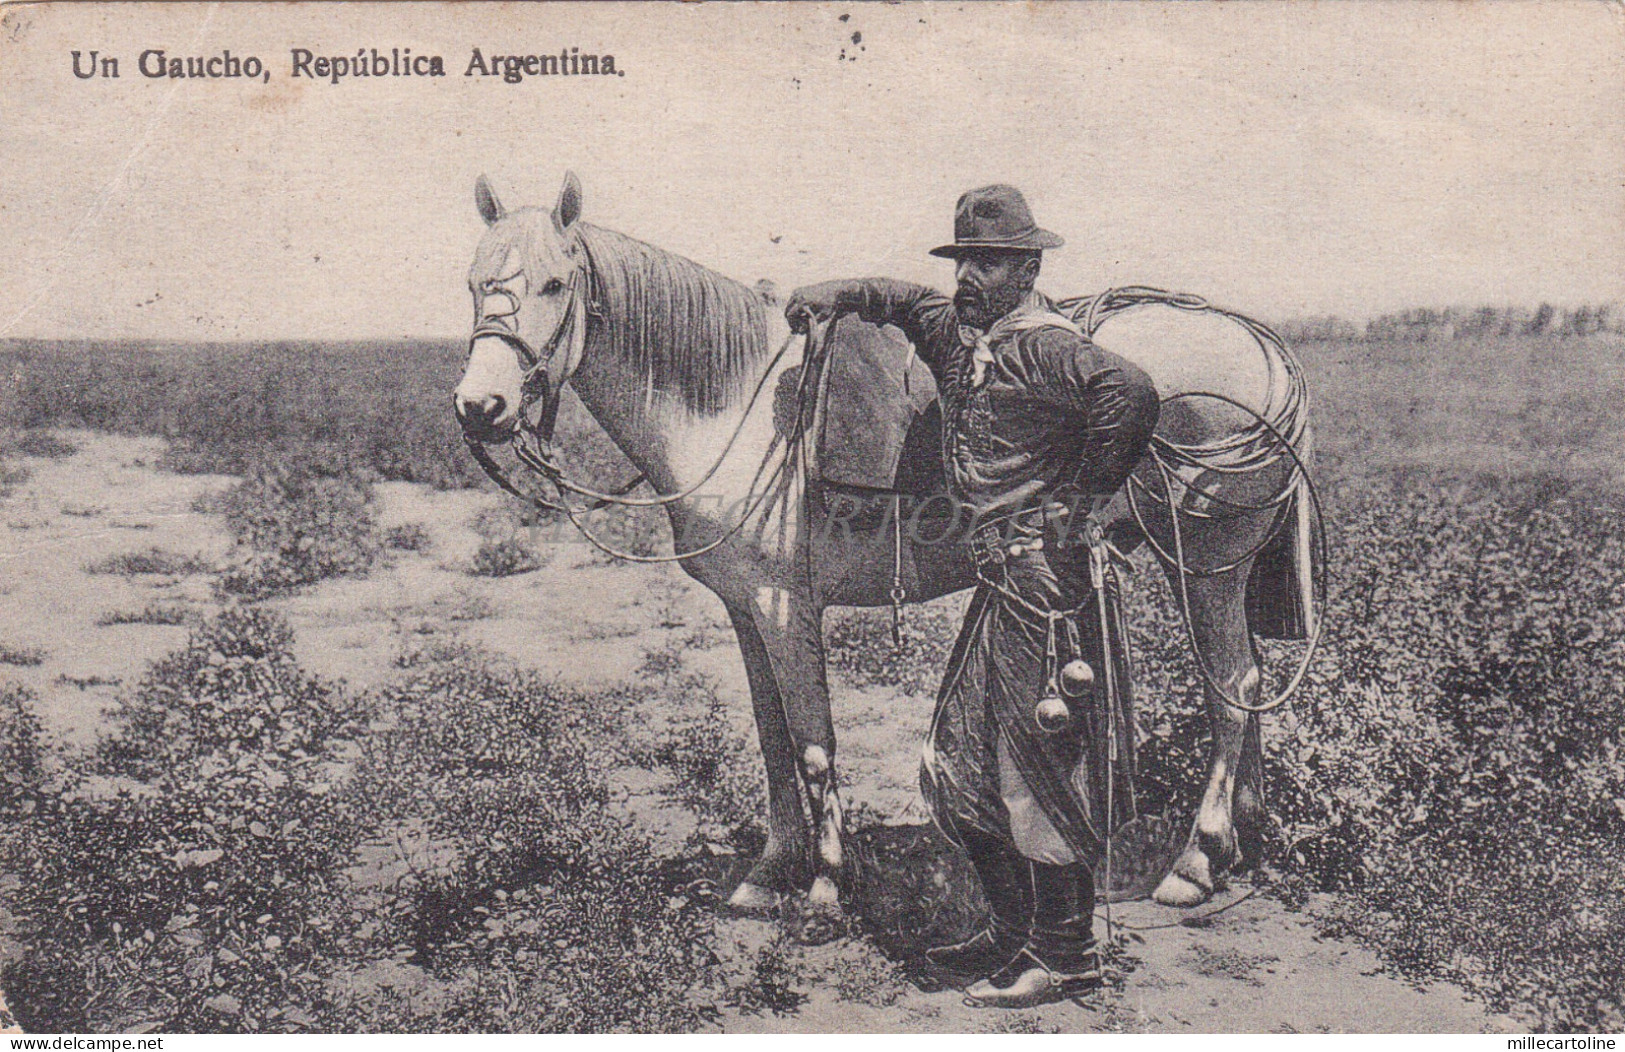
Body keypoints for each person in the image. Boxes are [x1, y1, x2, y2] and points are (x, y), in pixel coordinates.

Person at [786, 185, 1160, 1008]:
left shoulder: (1042, 347)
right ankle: (1012, 930)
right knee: (956, 764)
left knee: (1038, 766)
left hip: (1049, 591)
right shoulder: (963, 337)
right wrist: (835, 294)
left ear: (1026, 269)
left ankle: (1064, 957)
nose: (968, 279)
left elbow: (1127, 394)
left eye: (988, 264)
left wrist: (1079, 498)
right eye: (964, 262)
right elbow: (904, 299)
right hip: (1002, 586)